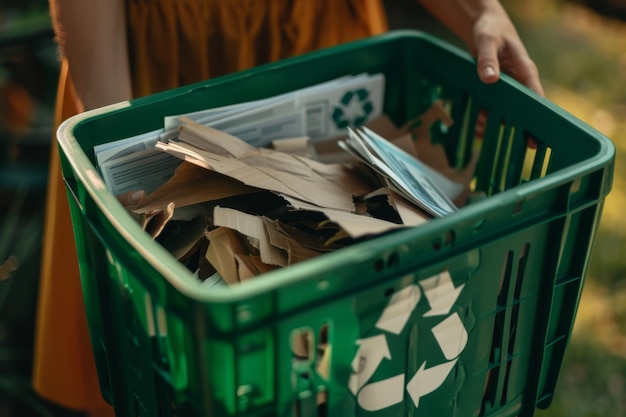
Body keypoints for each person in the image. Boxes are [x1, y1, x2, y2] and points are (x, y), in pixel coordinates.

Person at [33, 1, 544, 416]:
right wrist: (117, 136)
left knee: (345, 362)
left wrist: (479, 12)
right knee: (168, 356)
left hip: (322, 37)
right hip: (160, 56)